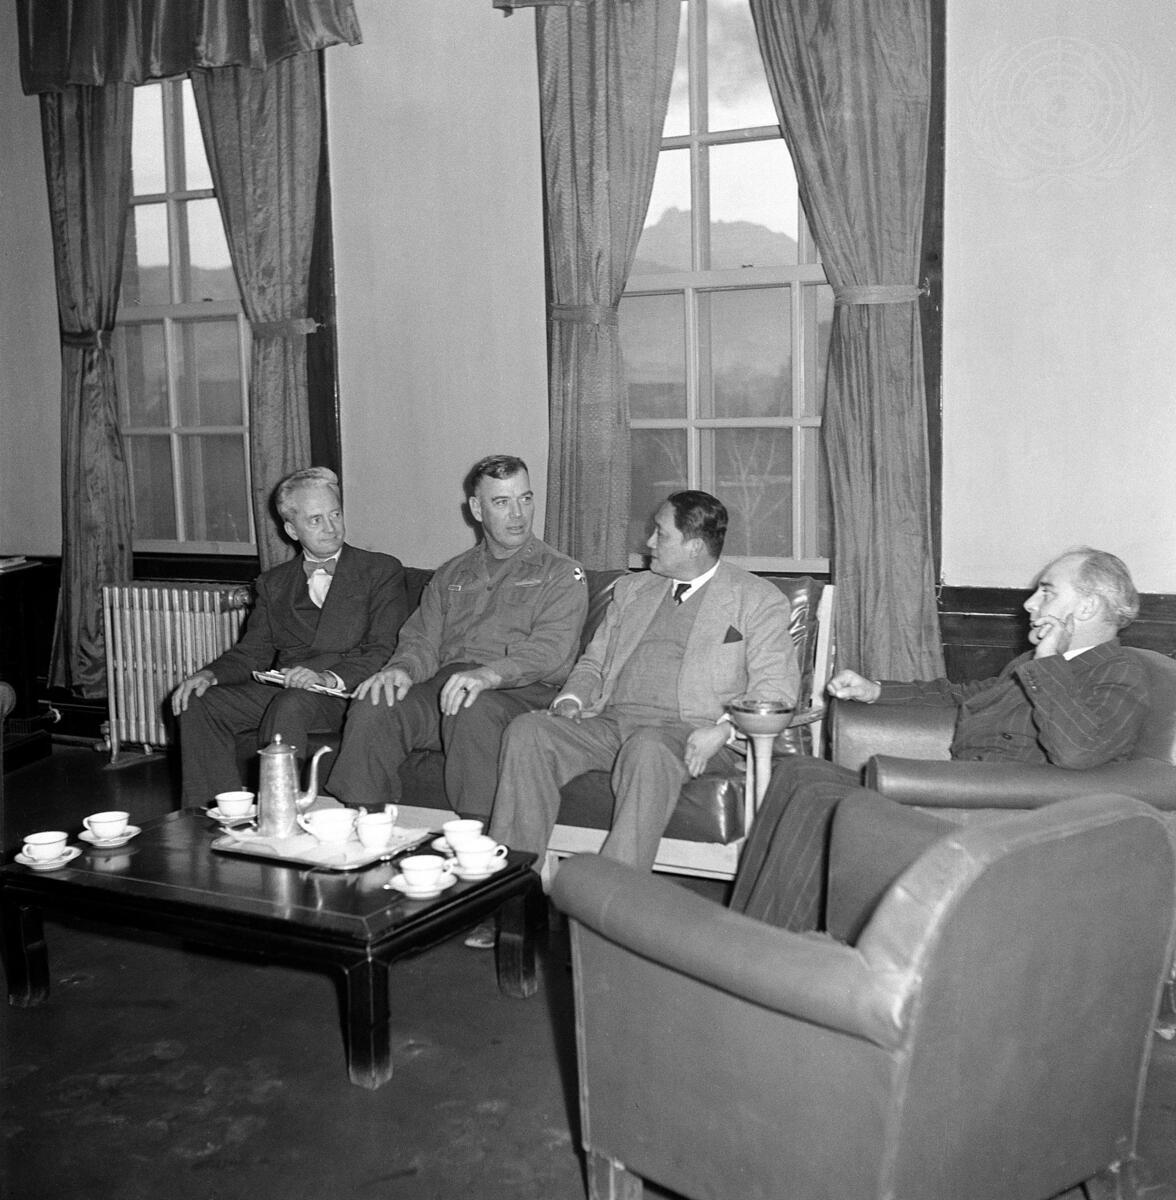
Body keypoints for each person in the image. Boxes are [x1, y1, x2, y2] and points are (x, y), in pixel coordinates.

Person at [730, 546, 1149, 929]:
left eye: (1047, 592)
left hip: (1002, 815)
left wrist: (1048, 662)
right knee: (798, 773)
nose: (1029, 603)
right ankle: (745, 932)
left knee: (823, 798)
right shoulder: (1035, 664)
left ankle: (766, 947)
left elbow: (1079, 750)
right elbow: (965, 694)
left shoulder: (1118, 671)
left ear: (1087, 607)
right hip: (959, 793)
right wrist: (877, 690)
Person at [488, 490, 801, 877]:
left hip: (689, 733)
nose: (649, 542)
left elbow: (776, 691)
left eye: (661, 534)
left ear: (694, 547)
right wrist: (571, 699)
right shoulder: (632, 590)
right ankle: (510, 887)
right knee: (528, 731)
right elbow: (593, 663)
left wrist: (723, 731)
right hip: (611, 724)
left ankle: (609, 897)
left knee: (647, 748)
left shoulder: (756, 599)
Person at [325, 454, 588, 819]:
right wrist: (401, 670)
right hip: (447, 688)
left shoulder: (561, 573)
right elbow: (422, 640)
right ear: (477, 509)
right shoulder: (452, 573)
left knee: (470, 704)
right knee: (377, 699)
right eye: (502, 502)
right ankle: (366, 823)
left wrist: (489, 675)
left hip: (521, 693)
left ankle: (481, 834)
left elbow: (550, 650)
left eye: (525, 499)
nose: (518, 514)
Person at [172, 467, 407, 807]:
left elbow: (383, 648)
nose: (331, 527)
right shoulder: (274, 583)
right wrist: (209, 675)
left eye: (335, 514)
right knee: (198, 701)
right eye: (315, 520)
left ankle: (280, 812)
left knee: (292, 702)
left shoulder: (381, 570)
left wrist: (325, 677)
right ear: (291, 529)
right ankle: (213, 813)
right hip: (286, 687)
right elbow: (252, 652)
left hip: (343, 692)